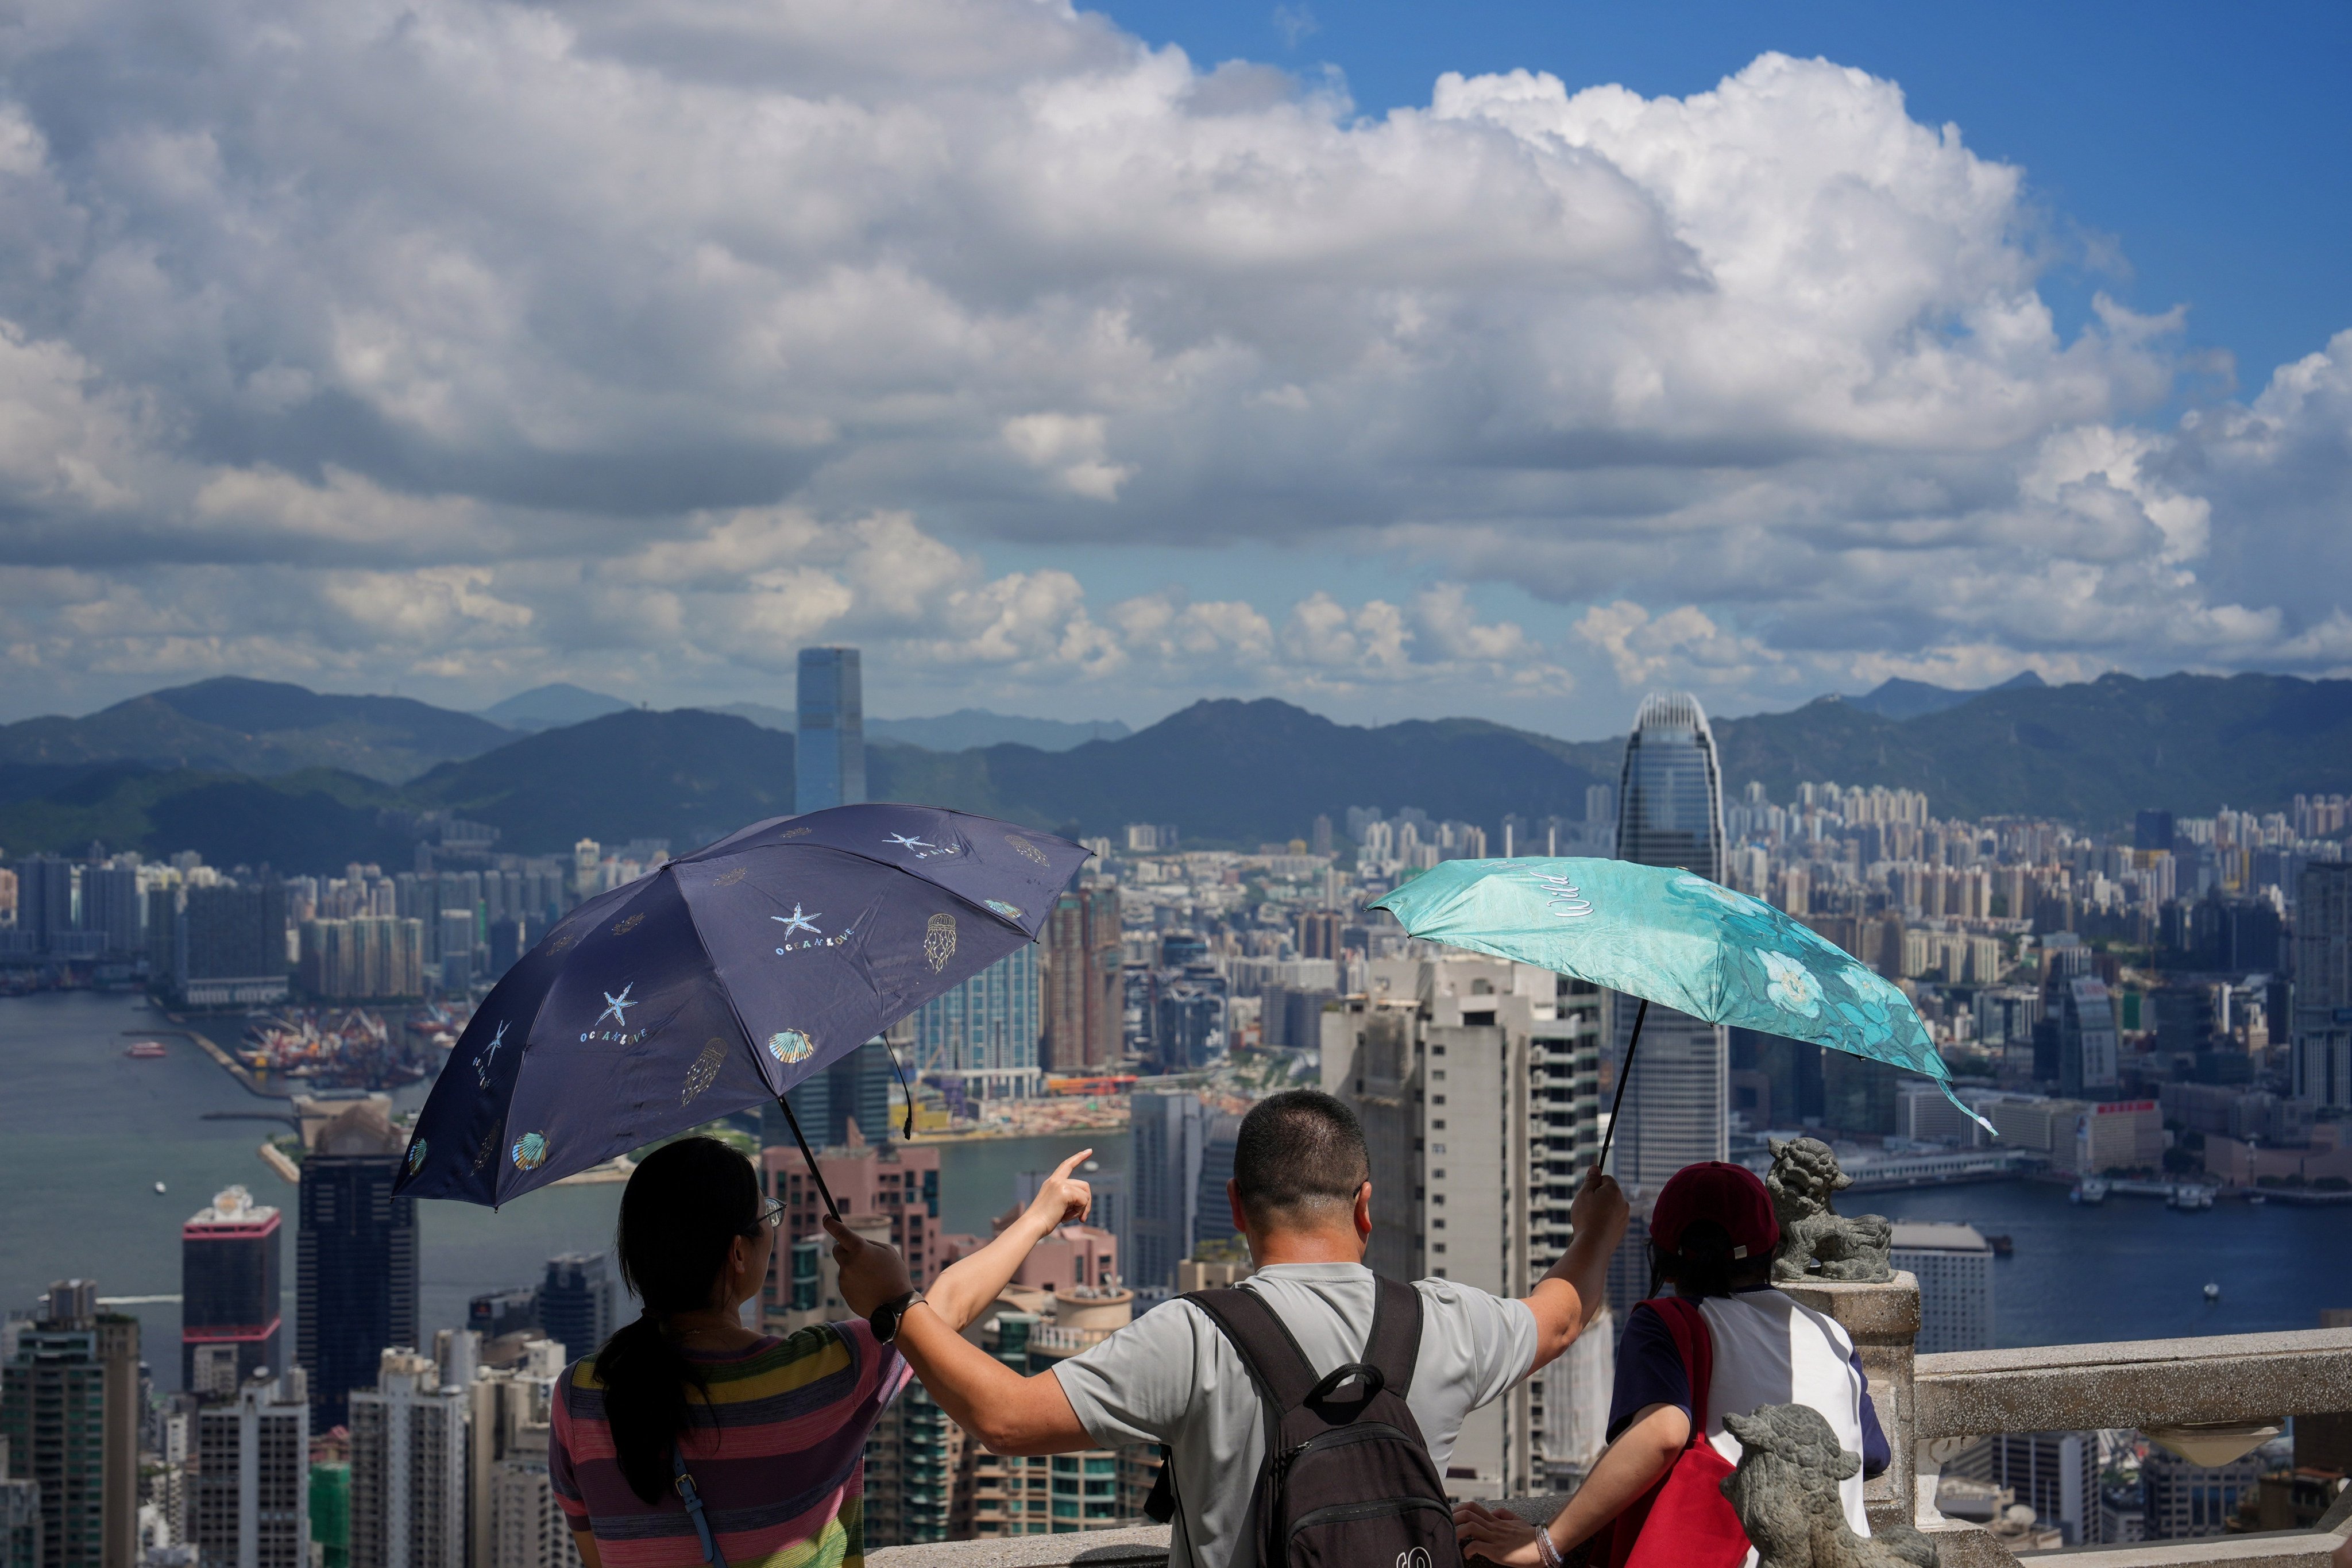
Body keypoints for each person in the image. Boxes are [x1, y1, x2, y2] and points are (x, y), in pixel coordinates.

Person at [826, 1087, 1630, 1568]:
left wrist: (897, 1304)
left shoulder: (1190, 1334)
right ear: (1363, 1205)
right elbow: (1561, 1318)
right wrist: (1594, 1228)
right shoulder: (1446, 1319)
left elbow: (1003, 1416)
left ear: (1236, 1207)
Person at [549, 1135, 1094, 1568]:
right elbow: (943, 1310)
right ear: (738, 1254)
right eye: (767, 1216)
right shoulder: (818, 1373)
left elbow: (600, 1553)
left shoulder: (580, 1395)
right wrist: (1037, 1219)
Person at [1455, 1161, 1887, 1568]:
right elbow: (1872, 1455)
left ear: (1663, 1254)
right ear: (1771, 1245)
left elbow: (1662, 1433)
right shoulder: (1830, 1334)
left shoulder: (1670, 1323)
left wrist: (1546, 1543)